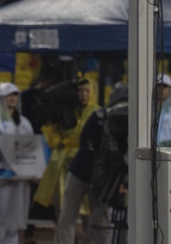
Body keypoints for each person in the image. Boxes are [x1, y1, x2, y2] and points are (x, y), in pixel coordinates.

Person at [55, 87, 129, 244]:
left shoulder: (132, 124)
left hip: (105, 178)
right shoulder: (99, 117)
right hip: (81, 172)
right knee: (68, 216)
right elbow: (85, 144)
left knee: (101, 221)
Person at [34, 77, 98, 221]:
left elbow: (83, 136)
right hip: (61, 164)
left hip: (86, 166)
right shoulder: (68, 110)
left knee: (88, 211)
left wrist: (66, 140)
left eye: (87, 91)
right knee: (63, 211)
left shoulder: (97, 113)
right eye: (80, 91)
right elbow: (54, 134)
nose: (83, 95)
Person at [0, 82, 35, 244]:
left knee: (16, 219)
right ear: (1, 98)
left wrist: (33, 172)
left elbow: (32, 151)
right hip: (3, 179)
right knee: (1, 218)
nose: (12, 99)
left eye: (15, 95)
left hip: (21, 180)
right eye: (8, 95)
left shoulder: (25, 123)